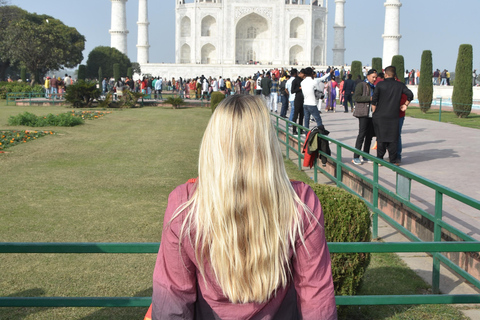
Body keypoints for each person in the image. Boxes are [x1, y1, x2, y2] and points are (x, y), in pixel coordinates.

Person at [150, 95, 337, 320]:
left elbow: (172, 295)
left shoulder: (185, 205)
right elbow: (315, 292)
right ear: (267, 144)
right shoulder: (300, 202)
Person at [372, 66, 414, 165]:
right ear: (394, 75)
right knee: (393, 139)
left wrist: (374, 113)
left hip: (380, 116)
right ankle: (394, 160)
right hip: (393, 116)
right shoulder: (400, 85)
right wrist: (405, 105)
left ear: (385, 74)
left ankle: (380, 160)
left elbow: (374, 101)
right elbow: (410, 95)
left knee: (381, 138)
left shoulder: (380, 85)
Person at [352, 69, 377, 165]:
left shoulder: (374, 87)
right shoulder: (362, 85)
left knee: (369, 136)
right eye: (373, 77)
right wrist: (369, 98)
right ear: (368, 76)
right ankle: (356, 156)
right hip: (363, 113)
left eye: (375, 77)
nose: (374, 79)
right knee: (361, 134)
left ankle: (366, 155)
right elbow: (356, 97)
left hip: (371, 113)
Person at [291, 69, 305, 134]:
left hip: (303, 99)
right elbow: (292, 91)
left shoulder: (303, 80)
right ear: (301, 73)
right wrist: (299, 89)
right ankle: (294, 130)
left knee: (301, 116)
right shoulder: (295, 81)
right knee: (296, 115)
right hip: (297, 99)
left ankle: (300, 129)